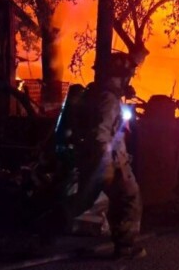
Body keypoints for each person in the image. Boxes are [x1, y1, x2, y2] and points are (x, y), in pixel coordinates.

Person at [62, 51, 146, 259]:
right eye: (128, 76)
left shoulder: (102, 94)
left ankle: (46, 228)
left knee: (84, 201)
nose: (129, 80)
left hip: (101, 159)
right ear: (120, 75)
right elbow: (101, 134)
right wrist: (107, 164)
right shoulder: (107, 99)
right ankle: (126, 247)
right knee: (129, 198)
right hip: (109, 161)